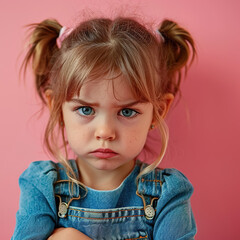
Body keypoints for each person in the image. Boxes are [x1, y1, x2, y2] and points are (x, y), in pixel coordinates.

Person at [12, 13, 197, 240]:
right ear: (58, 107)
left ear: (157, 112)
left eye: (127, 112)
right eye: (86, 110)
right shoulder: (43, 187)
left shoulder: (169, 193)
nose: (105, 132)